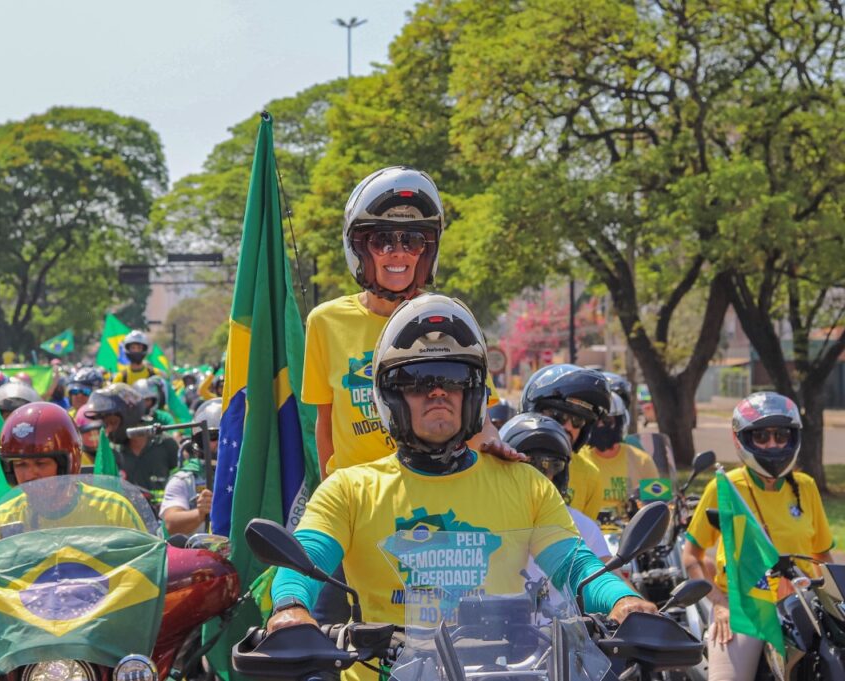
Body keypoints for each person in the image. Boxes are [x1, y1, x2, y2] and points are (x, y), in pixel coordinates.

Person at [268, 295, 655, 676]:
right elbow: (306, 555)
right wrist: (290, 606)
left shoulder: (526, 484)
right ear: (389, 396)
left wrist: (624, 600)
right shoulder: (349, 489)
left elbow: (574, 565)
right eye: (418, 380)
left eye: (454, 379)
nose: (438, 393)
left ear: (474, 393)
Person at [302, 167, 511, 479]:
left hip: (432, 495)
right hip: (360, 502)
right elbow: (326, 422)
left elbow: (478, 420)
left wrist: (496, 445)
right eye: (383, 241)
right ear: (359, 247)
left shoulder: (451, 318)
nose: (398, 253)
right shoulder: (325, 322)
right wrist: (329, 497)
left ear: (426, 252)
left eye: (412, 242)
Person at [682, 392, 835, 681]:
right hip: (744, 609)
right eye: (761, 437)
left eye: (781, 435)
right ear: (741, 439)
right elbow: (691, 555)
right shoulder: (724, 488)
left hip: (803, 605)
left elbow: (822, 556)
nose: (773, 445)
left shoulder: (806, 486)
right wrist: (719, 603)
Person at [0, 402, 147, 547]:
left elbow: (144, 571)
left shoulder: (114, 511)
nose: (30, 475)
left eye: (41, 464)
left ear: (68, 465)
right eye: (20, 465)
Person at [499, 412, 610, 579]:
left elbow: (607, 578)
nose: (537, 474)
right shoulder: (486, 520)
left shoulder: (579, 525)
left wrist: (627, 599)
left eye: (551, 465)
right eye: (528, 464)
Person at [520, 364, 610, 520]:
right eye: (557, 415)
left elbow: (587, 537)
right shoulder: (505, 461)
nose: (567, 427)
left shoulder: (590, 476)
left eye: (578, 420)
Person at [576, 391, 659, 519]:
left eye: (607, 420)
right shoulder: (577, 460)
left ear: (620, 422)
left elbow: (656, 506)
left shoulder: (642, 461)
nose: (601, 425)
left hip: (628, 533)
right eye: (595, 421)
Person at [85, 383, 178, 495]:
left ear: (130, 415)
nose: (108, 430)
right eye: (106, 425)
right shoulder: (111, 452)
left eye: (113, 422)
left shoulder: (166, 444)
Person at [161, 398, 219, 536]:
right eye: (213, 436)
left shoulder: (252, 475)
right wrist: (200, 513)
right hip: (198, 554)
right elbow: (170, 524)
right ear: (200, 440)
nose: (222, 442)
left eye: (229, 436)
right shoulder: (184, 479)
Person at [73, 403, 103, 470]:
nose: (95, 437)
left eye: (99, 432)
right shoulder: (76, 462)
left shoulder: (114, 456)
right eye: (89, 433)